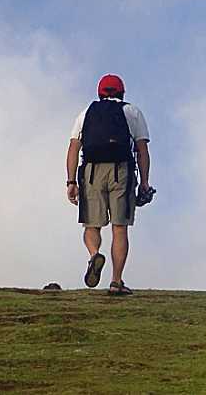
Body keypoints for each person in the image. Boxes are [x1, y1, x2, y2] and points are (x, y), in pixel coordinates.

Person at [65, 73, 151, 296]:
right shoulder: (132, 112)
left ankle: (94, 255)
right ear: (122, 92)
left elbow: (74, 147)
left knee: (91, 226)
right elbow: (141, 149)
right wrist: (144, 182)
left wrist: (71, 181)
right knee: (119, 228)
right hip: (120, 172)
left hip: (92, 172)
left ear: (99, 93)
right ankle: (116, 281)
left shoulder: (87, 113)